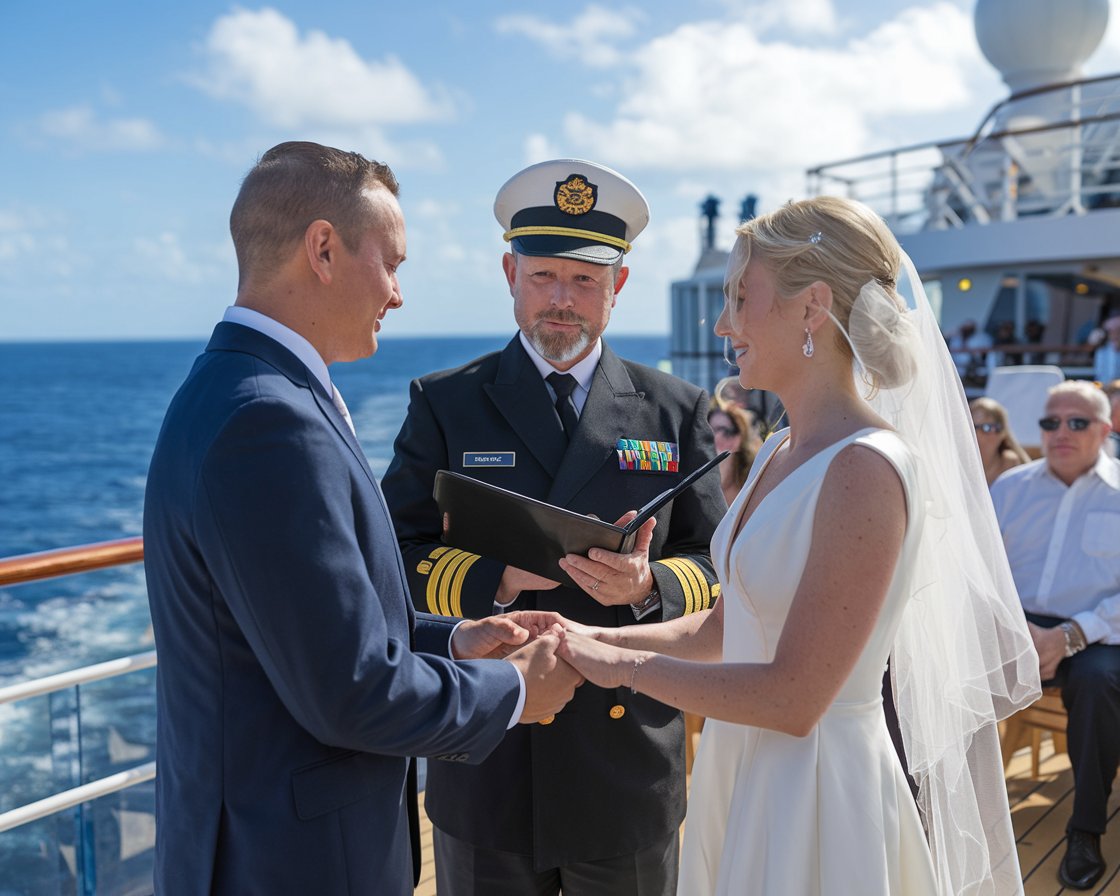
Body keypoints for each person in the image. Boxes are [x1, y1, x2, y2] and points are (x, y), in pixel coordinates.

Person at [556, 196, 1040, 895]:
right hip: (744, 762)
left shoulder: (864, 467)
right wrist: (581, 634)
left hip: (815, 787)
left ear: (813, 307)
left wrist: (621, 666)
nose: (724, 325)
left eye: (740, 298)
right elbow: (727, 627)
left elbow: (794, 696)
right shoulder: (783, 447)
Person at [142, 141, 581, 896]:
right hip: (288, 864)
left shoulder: (236, 388)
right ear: (323, 249)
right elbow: (348, 690)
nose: (400, 294)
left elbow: (313, 627)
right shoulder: (266, 421)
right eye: (394, 263)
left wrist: (456, 639)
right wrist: (513, 693)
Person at [381, 158, 725, 896]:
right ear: (510, 272)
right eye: (544, 277)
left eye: (584, 280)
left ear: (618, 287)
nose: (561, 302)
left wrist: (649, 583)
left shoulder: (676, 411)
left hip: (625, 758)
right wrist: (493, 579)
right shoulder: (446, 404)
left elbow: (716, 563)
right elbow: (389, 555)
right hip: (488, 752)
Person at [990, 380, 1120, 891]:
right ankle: (934, 805)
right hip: (1015, 625)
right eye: (1050, 422)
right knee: (933, 661)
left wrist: (1070, 635)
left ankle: (1085, 829)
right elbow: (983, 572)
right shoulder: (1010, 488)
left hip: (1101, 635)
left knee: (1099, 684)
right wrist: (1019, 630)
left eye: (1077, 422)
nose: (1061, 431)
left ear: (1106, 429)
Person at [970, 396, 1031, 485]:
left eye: (988, 428)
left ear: (1003, 433)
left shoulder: (1010, 464)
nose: (978, 434)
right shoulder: (956, 463)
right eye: (972, 427)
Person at [708, 403, 761, 505]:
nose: (713, 436)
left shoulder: (755, 484)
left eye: (723, 430)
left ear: (738, 438)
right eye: (708, 429)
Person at [1093, 316, 1120, 384]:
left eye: (1118, 330)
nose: (1115, 334)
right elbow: (1098, 374)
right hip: (1105, 387)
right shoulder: (1101, 351)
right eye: (1111, 331)